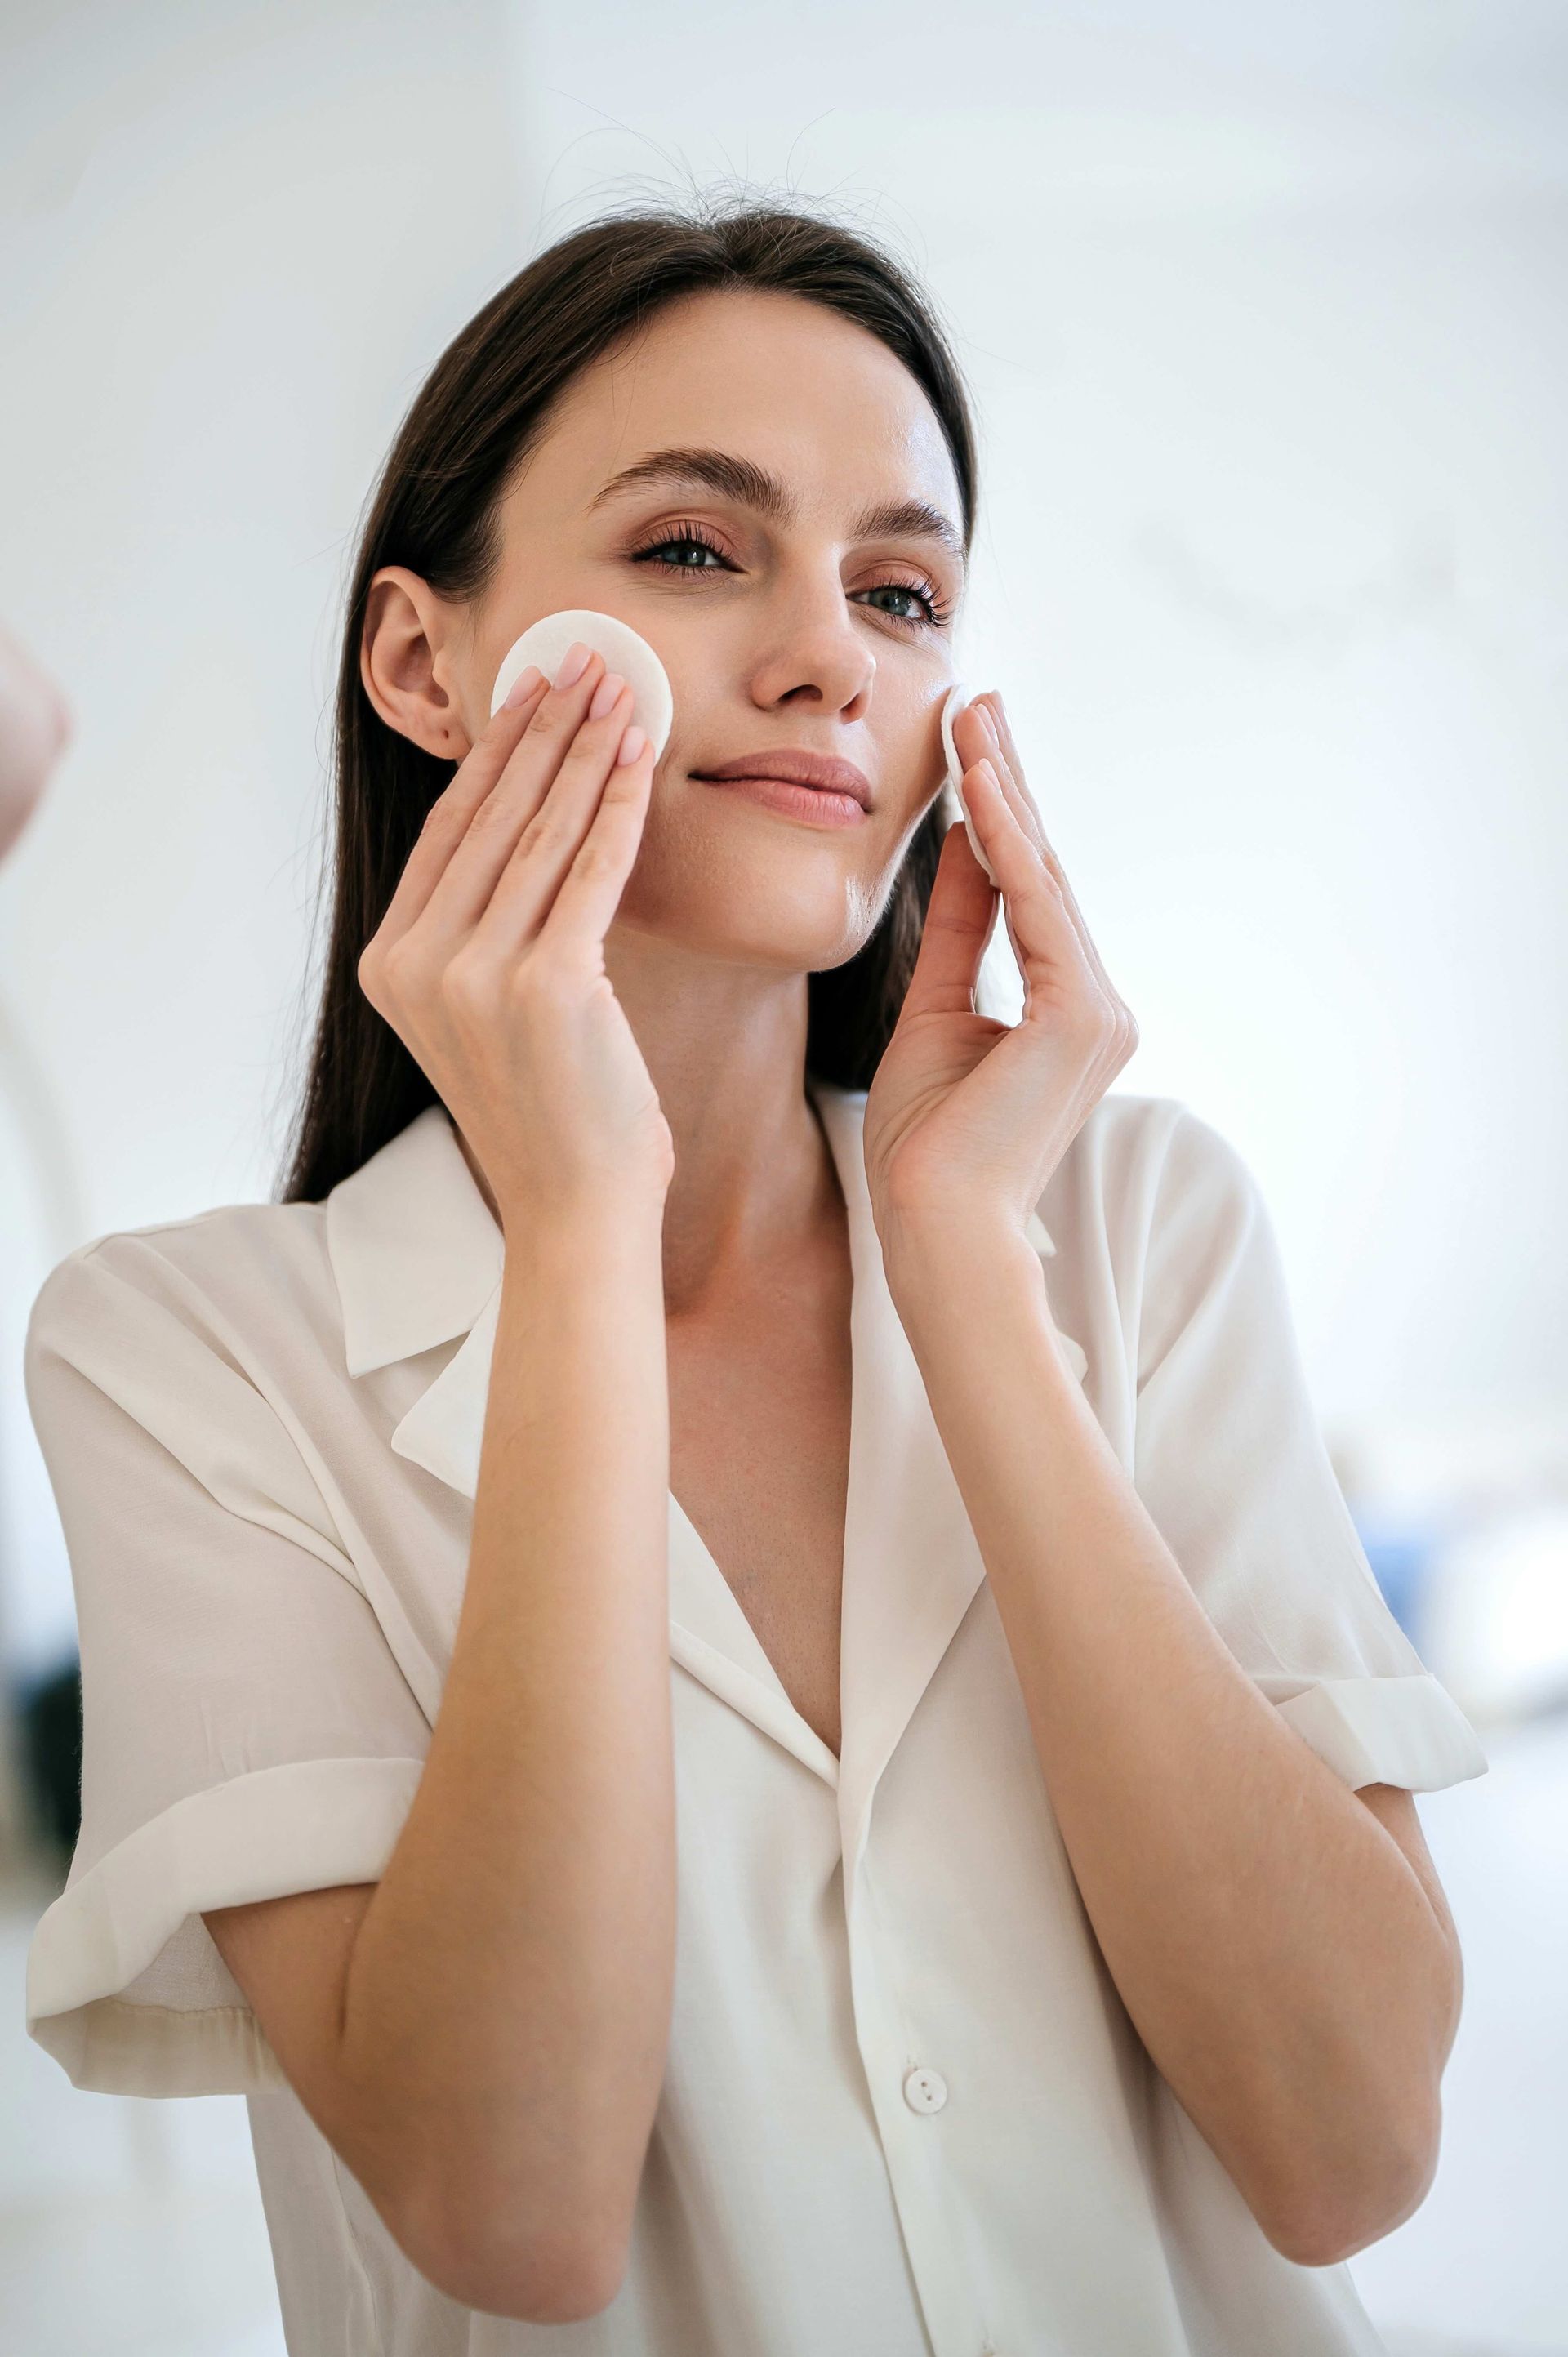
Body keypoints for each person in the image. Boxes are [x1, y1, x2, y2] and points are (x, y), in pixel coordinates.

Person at [22, 196, 1486, 2357]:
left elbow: (1349, 2145)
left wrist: (970, 1272)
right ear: (426, 662)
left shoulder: (1139, 1226)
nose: (832, 656)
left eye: (900, 591)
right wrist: (587, 1225)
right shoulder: (189, 1357)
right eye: (700, 553)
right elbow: (508, 2206)